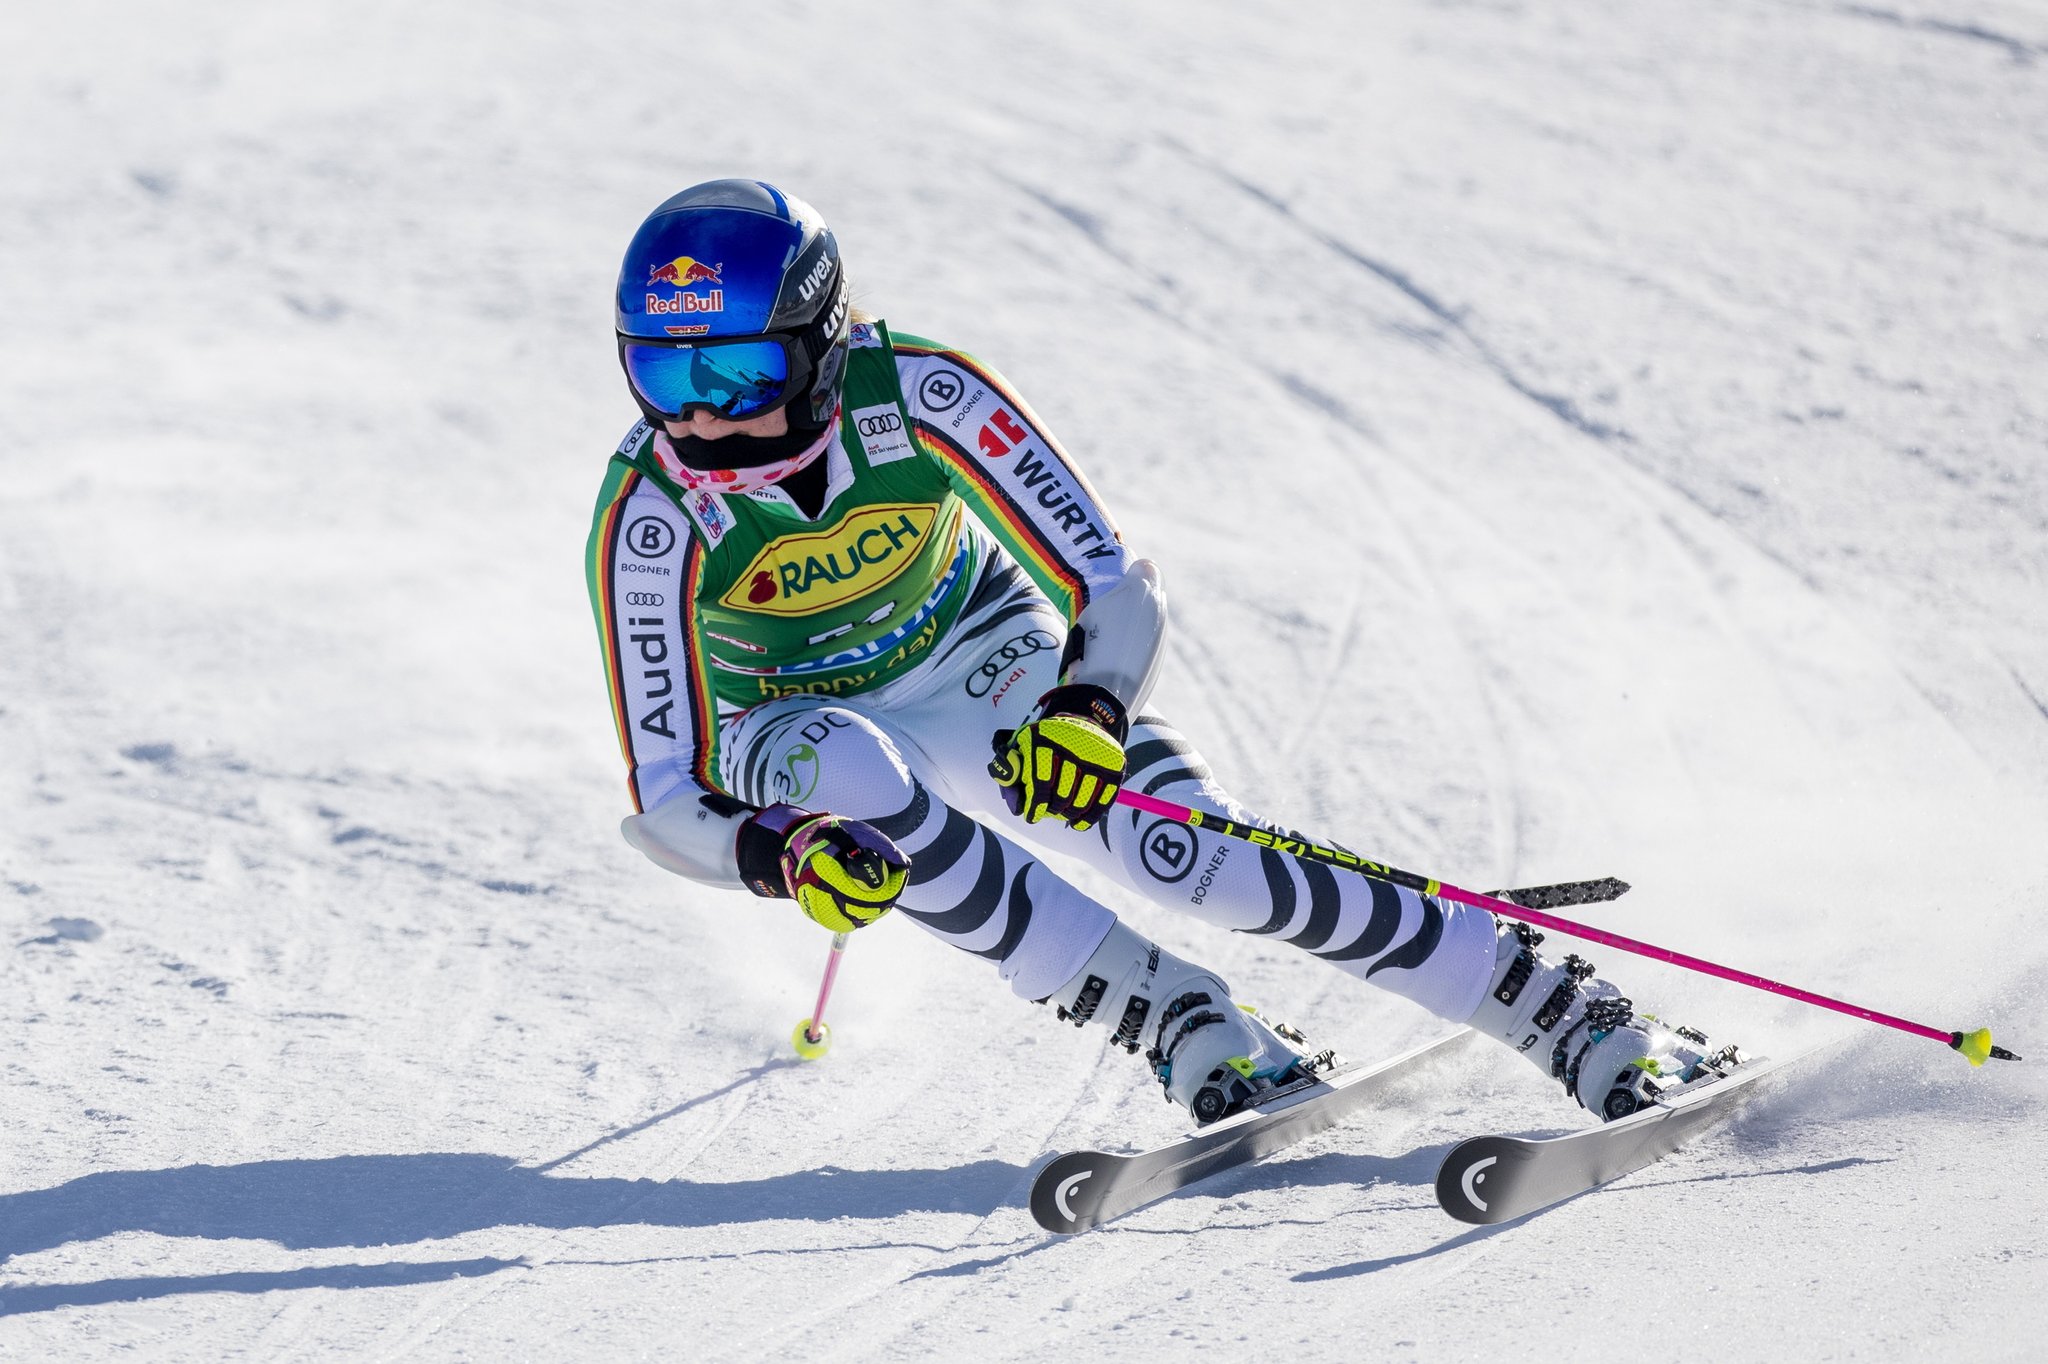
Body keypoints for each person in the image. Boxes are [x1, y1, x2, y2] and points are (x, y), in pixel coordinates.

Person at [586, 179, 1738, 1127]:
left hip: (976, 655)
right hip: (793, 726)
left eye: (739, 374)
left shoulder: (920, 393)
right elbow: (664, 794)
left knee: (1182, 853)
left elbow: (1109, 578)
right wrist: (777, 854)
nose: (699, 418)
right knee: (844, 770)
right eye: (664, 375)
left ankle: (1553, 1002)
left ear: (820, 344)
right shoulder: (651, 516)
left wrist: (1087, 701)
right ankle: (1169, 1012)